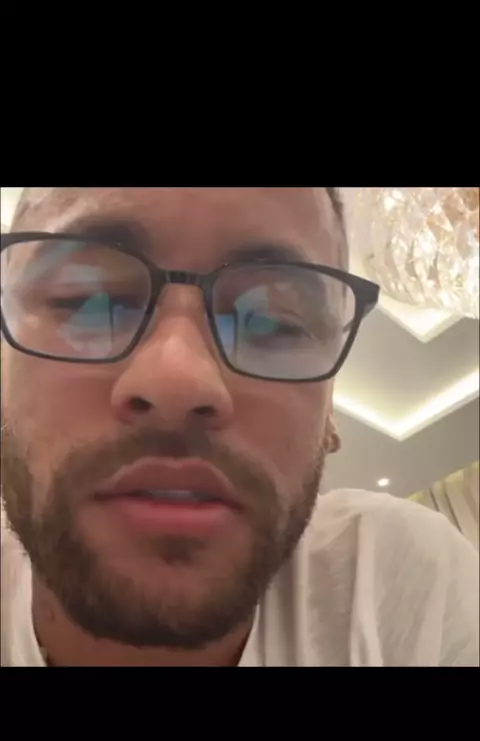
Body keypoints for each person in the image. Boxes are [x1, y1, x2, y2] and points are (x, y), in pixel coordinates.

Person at [1, 187, 478, 668]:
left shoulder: (401, 586)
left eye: (271, 322)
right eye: (90, 301)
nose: (178, 381)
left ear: (328, 413)